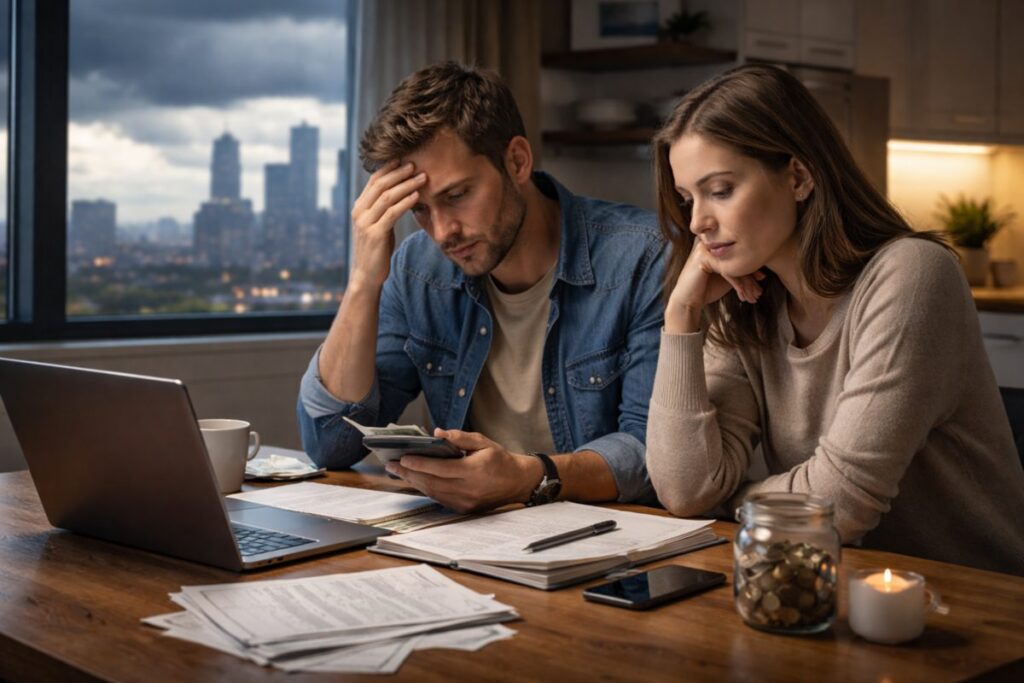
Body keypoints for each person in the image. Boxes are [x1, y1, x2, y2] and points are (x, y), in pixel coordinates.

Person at [645, 63, 1024, 574]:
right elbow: (685, 491)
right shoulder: (744, 301)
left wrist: (732, 500)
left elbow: (838, 507)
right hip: (833, 582)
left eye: (721, 190)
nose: (697, 223)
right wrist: (682, 314)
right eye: (688, 199)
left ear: (798, 177)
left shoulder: (912, 276)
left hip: (975, 594)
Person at [297, 62, 665, 513]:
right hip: (470, 538)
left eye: (456, 196)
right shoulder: (417, 269)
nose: (442, 232)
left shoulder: (642, 258)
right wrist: (362, 283)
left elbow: (650, 453)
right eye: (419, 210)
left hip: (609, 537)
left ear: (517, 161)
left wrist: (527, 477)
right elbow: (331, 443)